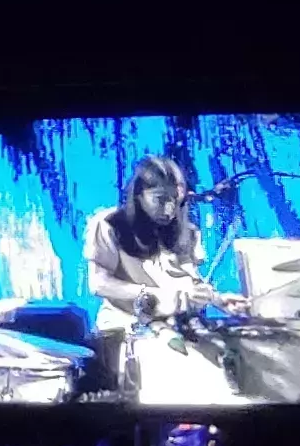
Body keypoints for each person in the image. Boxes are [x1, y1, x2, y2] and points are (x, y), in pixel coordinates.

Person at [84, 154, 209, 398]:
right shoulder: (110, 225)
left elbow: (191, 280)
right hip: (121, 334)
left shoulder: (188, 232)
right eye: (160, 199)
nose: (169, 210)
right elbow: (99, 283)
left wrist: (211, 297)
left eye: (175, 200)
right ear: (139, 195)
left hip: (176, 331)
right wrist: (150, 295)